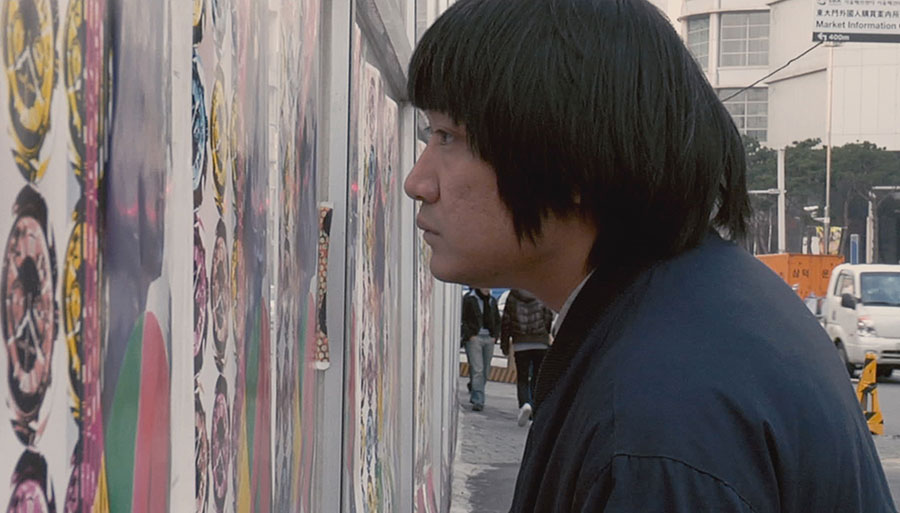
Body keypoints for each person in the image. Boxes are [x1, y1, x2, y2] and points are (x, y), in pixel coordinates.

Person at [403, 0, 897, 510]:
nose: (416, 182)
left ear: (568, 160)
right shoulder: (694, 306)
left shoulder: (655, 421)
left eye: (447, 137)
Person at [500, 289, 554, 426]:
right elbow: (548, 315)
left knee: (523, 377)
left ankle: (524, 404)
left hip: (521, 343)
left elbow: (506, 320)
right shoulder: (539, 290)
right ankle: (535, 409)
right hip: (540, 342)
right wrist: (545, 333)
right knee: (537, 377)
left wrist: (505, 345)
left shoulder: (513, 295)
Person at [460, 287, 500, 411]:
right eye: (484, 286)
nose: (487, 289)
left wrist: (495, 336)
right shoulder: (469, 299)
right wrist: (469, 334)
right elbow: (463, 318)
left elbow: (497, 319)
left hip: (489, 338)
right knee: (478, 368)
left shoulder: (492, 301)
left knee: (486, 370)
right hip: (475, 338)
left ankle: (474, 386)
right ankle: (478, 400)